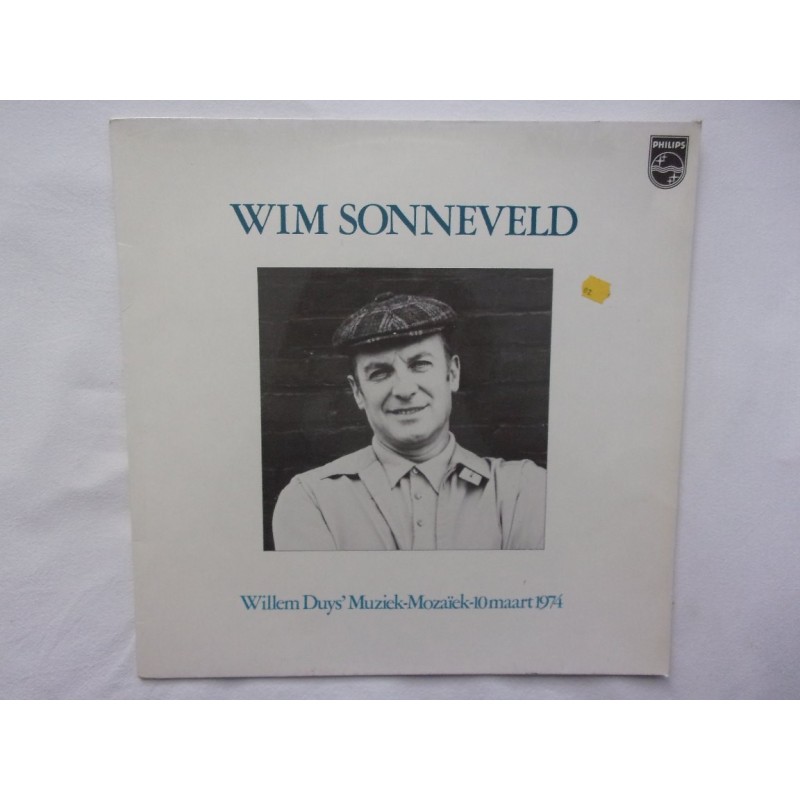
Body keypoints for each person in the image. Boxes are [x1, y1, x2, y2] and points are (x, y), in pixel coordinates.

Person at [272, 292, 546, 550]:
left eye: (420, 365)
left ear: (452, 374)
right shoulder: (311, 499)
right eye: (380, 373)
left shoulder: (523, 490)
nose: (404, 390)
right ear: (357, 392)